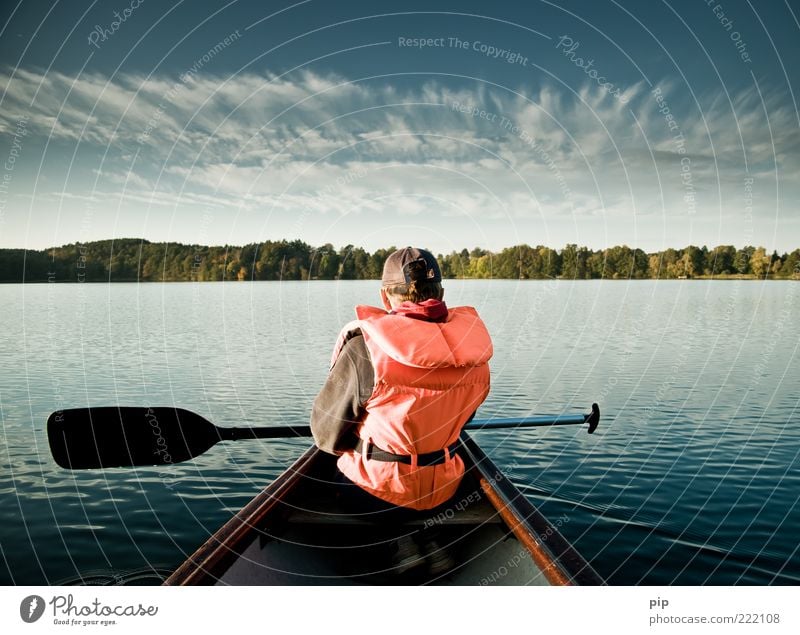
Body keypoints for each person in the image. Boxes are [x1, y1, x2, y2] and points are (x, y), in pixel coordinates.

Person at [310, 247, 493, 575]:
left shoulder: (365, 348)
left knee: (331, 469)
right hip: (446, 490)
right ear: (441, 292)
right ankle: (428, 535)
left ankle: (398, 539)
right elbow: (465, 420)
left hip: (375, 496)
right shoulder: (473, 352)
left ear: (385, 295)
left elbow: (325, 434)